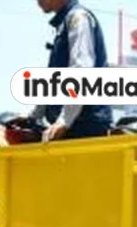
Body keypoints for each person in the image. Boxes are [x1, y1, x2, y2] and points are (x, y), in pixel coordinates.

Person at [24, 0, 113, 141]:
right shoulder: (64, 22)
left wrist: (64, 120)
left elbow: (81, 70)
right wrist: (33, 116)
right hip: (73, 124)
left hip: (85, 126)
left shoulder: (78, 18)